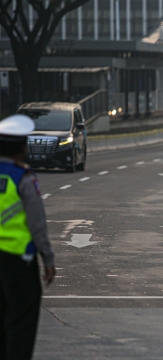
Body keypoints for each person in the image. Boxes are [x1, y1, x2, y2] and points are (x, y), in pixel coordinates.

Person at [0, 114, 56, 360]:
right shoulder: (23, 177)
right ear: (22, 149)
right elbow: (37, 224)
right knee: (21, 320)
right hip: (18, 262)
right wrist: (48, 259)